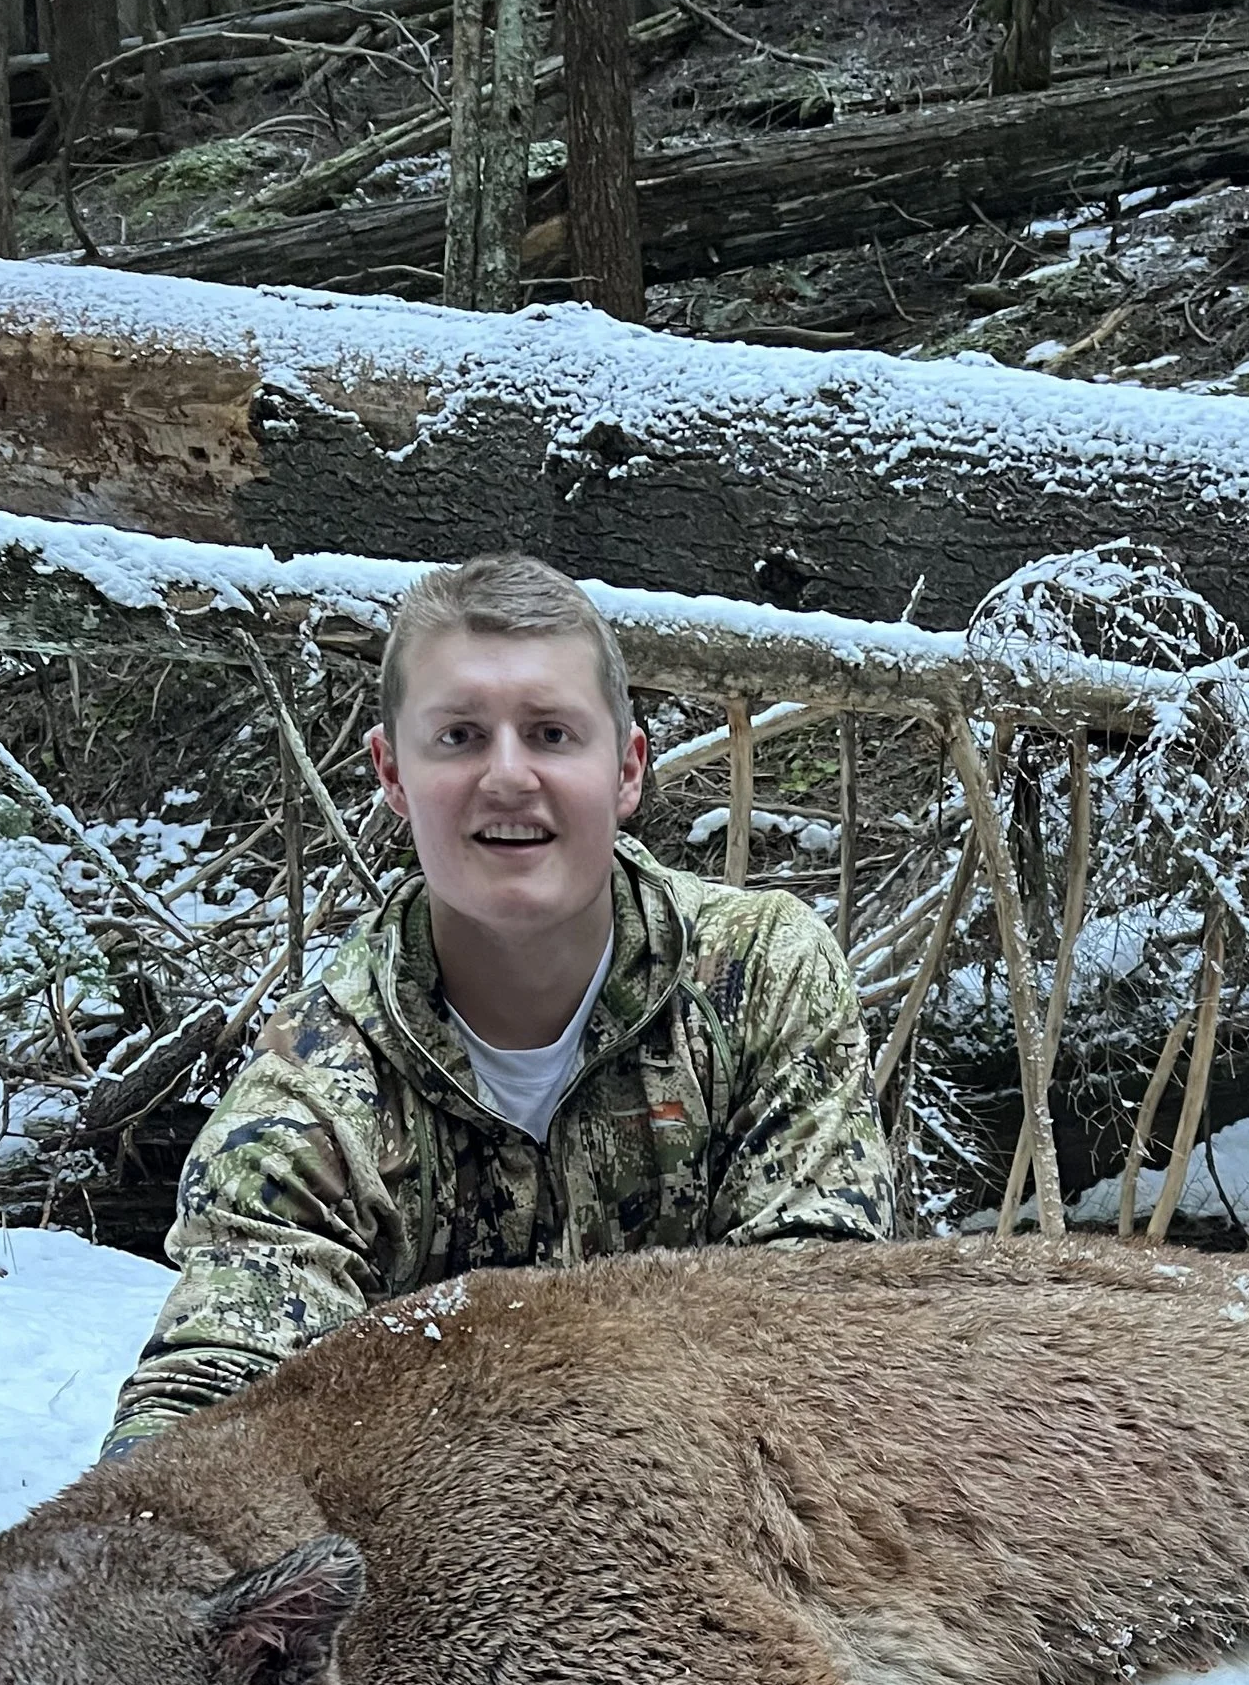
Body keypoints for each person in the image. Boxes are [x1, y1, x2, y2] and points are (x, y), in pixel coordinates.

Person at [102, 552, 896, 1456]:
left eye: (552, 734)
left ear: (627, 769)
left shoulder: (758, 978)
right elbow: (216, 1388)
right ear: (391, 774)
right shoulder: (314, 1091)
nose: (509, 776)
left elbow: (829, 1322)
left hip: (742, 1505)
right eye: (460, 737)